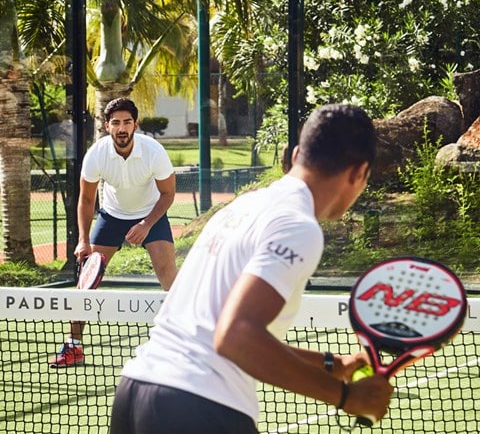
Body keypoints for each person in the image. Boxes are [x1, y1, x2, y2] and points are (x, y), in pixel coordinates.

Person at [109, 103, 393, 433]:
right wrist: (345, 397)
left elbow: (218, 330)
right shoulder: (298, 226)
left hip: (134, 393)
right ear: (358, 173)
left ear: (298, 153)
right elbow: (235, 337)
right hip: (197, 407)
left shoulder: (242, 207)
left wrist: (332, 365)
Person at [49, 97, 177, 368]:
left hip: (151, 215)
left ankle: (187, 343)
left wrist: (146, 224)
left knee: (169, 277)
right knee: (86, 282)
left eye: (127, 122)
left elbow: (167, 194)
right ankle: (73, 346)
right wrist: (83, 241)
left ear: (135, 125)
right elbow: (85, 200)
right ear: (107, 126)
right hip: (111, 216)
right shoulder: (96, 154)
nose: (122, 128)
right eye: (116, 123)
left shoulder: (153, 151)